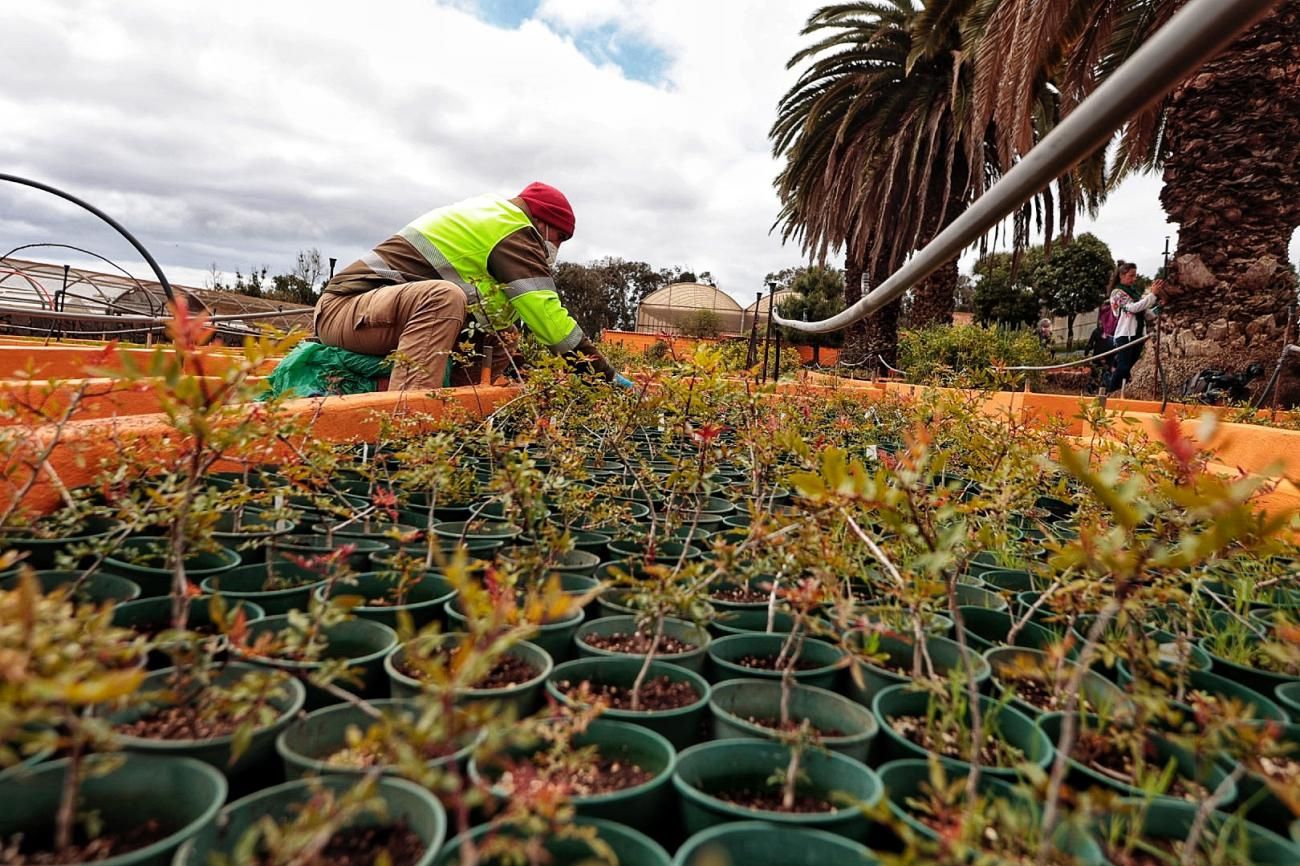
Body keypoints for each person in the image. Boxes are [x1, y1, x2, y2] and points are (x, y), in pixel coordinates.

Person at [314, 182, 632, 391]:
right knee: (444, 298)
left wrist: (525, 373)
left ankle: (465, 412)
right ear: (543, 222)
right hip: (344, 309)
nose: (556, 248)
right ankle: (407, 431)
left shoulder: (495, 221)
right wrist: (604, 377)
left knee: (502, 332)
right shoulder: (511, 229)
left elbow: (497, 322)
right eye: (559, 238)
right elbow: (549, 320)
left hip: (380, 317)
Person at [1105, 261, 1163, 392]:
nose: (1134, 279)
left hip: (1138, 335)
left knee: (1128, 367)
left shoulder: (1134, 294)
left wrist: (1159, 307)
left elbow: (1147, 315)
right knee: (1123, 367)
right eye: (1131, 275)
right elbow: (1132, 308)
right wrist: (1152, 295)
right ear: (1122, 275)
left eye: (1135, 276)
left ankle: (1121, 391)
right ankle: (1110, 392)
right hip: (1125, 334)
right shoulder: (1117, 293)